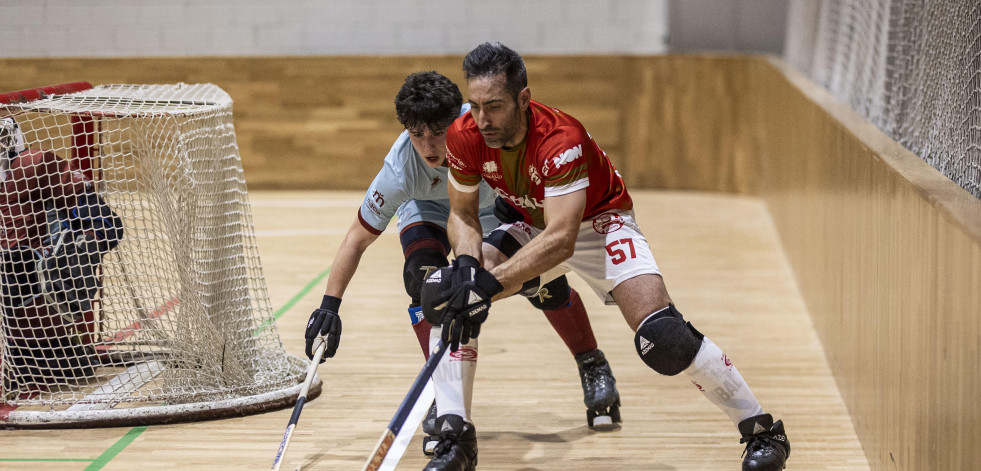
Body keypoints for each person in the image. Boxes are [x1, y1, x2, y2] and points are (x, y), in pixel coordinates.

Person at [419, 43, 791, 471]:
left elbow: (562, 240)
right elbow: (463, 214)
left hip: (599, 223)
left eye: (495, 107)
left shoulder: (562, 140)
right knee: (448, 295)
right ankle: (456, 438)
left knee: (664, 338)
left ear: (523, 99)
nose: (483, 120)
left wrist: (486, 285)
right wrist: (468, 269)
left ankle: (763, 431)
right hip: (530, 222)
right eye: (476, 105)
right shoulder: (465, 134)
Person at [302, 71, 621, 454]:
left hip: (486, 209)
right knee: (423, 282)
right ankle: (442, 391)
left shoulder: (490, 135)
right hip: (429, 210)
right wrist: (329, 306)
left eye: (437, 132)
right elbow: (357, 236)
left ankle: (591, 362)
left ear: (461, 119)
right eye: (416, 134)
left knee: (544, 284)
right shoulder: (402, 167)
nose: (428, 146)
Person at [0, 116, 123, 398]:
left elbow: (108, 224)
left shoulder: (36, 166)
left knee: (13, 263)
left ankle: (39, 351)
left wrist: (83, 247)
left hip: (35, 282)